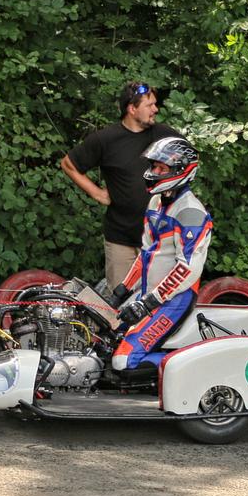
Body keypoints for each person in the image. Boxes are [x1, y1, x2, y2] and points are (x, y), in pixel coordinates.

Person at [107, 136, 212, 378]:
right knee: (106, 339)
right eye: (154, 166)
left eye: (161, 168)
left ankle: (197, 366)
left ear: (180, 170)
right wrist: (122, 290)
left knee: (124, 361)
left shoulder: (190, 212)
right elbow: (147, 253)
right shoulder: (156, 201)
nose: (154, 172)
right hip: (149, 293)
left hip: (174, 300)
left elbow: (186, 270)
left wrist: (147, 304)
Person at [60, 82, 180, 286]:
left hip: (160, 238)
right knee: (119, 301)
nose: (155, 109)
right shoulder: (106, 139)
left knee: (160, 300)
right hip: (121, 239)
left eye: (155, 104)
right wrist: (97, 193)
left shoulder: (165, 136)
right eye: (149, 105)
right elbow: (68, 164)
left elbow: (189, 163)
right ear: (132, 109)